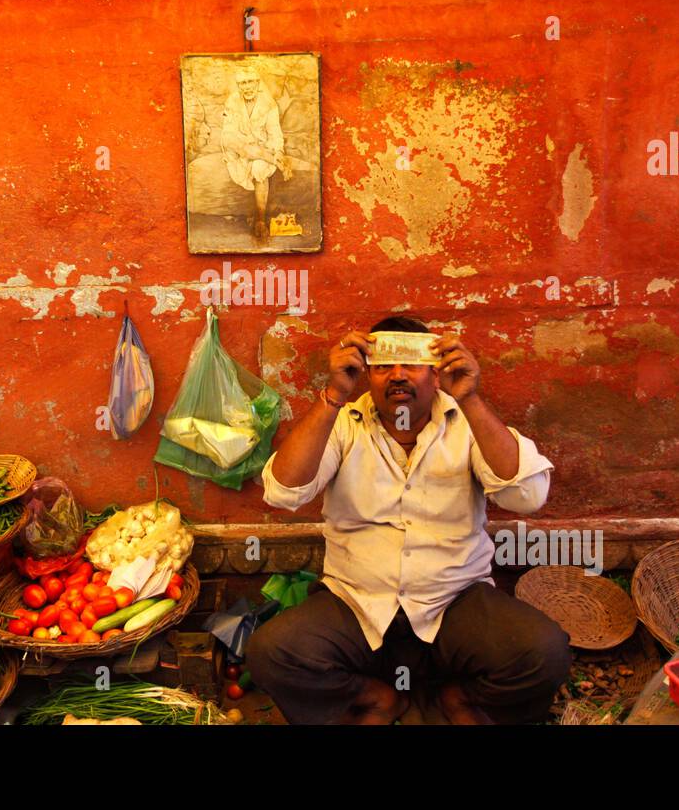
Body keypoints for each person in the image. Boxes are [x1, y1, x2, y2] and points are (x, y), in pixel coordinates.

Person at [246, 315, 572, 724]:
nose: (397, 376)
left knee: (544, 651)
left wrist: (470, 399)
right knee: (272, 651)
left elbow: (528, 496)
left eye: (412, 364)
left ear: (435, 373)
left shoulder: (464, 422)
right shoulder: (345, 423)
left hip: (453, 603)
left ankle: (459, 699)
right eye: (383, 365)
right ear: (366, 373)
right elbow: (283, 492)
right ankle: (375, 698)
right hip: (356, 604)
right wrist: (332, 395)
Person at [219, 66, 289, 240]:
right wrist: (245, 147)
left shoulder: (269, 104)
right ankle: (270, 158)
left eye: (250, 81)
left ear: (257, 83)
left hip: (261, 146)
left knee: (259, 168)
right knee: (246, 149)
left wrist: (277, 150)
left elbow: (275, 134)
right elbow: (229, 133)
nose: (247, 86)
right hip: (238, 145)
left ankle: (260, 219)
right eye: (243, 83)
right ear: (238, 85)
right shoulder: (232, 101)